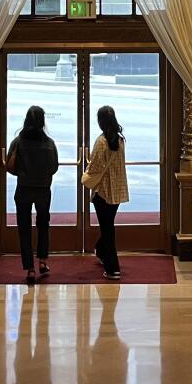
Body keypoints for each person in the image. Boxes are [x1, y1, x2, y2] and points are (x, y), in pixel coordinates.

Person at [6, 105, 59, 285]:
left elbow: (9, 165)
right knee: (43, 224)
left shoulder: (18, 142)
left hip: (23, 189)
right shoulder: (49, 143)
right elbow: (54, 167)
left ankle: (29, 269)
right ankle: (43, 260)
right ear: (43, 122)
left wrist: (23, 172)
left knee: (24, 228)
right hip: (43, 190)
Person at [82, 105, 129, 280]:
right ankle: (101, 252)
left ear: (101, 121)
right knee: (108, 225)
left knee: (107, 229)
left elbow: (94, 166)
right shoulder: (120, 140)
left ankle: (113, 268)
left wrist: (85, 173)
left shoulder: (101, 142)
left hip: (102, 192)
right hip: (117, 190)